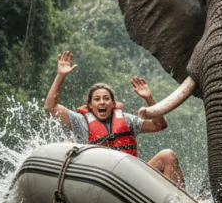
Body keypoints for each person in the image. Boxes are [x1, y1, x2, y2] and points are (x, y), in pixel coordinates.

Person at [44, 50, 185, 187]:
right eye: (97, 99)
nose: (102, 102)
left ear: (113, 104)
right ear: (90, 105)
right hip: (99, 182)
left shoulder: (127, 120)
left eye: (106, 99)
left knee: (168, 155)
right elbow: (51, 107)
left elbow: (159, 125)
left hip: (132, 179)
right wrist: (61, 75)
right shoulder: (81, 121)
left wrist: (149, 98)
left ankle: (177, 201)